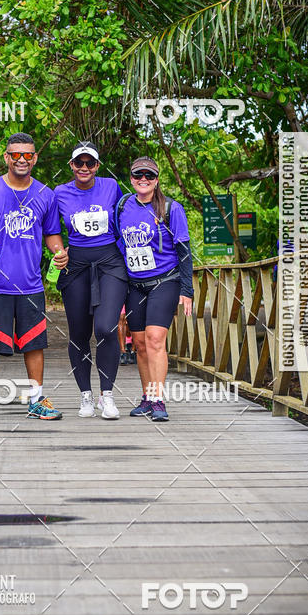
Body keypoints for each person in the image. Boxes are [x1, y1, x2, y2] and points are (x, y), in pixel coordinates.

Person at [0, 132, 69, 423]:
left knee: (34, 343)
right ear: (6, 157)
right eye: (16, 155)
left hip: (30, 284)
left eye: (28, 155)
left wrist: (58, 252)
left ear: (35, 158)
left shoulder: (45, 194)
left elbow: (52, 234)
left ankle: (36, 400)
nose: (22, 159)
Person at [116, 156, 193, 421]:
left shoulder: (171, 208)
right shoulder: (123, 206)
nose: (144, 180)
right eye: (138, 175)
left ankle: (159, 400)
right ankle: (148, 398)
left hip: (165, 281)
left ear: (157, 180)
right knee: (139, 343)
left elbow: (184, 251)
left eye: (149, 176)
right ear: (132, 179)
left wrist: (187, 289)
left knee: (155, 339)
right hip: (135, 284)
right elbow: (115, 244)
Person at [54, 141, 128, 419]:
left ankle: (106, 396)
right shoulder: (59, 193)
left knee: (107, 328)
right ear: (72, 166)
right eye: (79, 163)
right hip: (77, 266)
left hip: (110, 262)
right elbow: (50, 229)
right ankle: (85, 395)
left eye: (90, 163)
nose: (84, 168)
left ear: (97, 166)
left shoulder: (111, 187)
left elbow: (125, 220)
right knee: (79, 334)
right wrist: (60, 252)